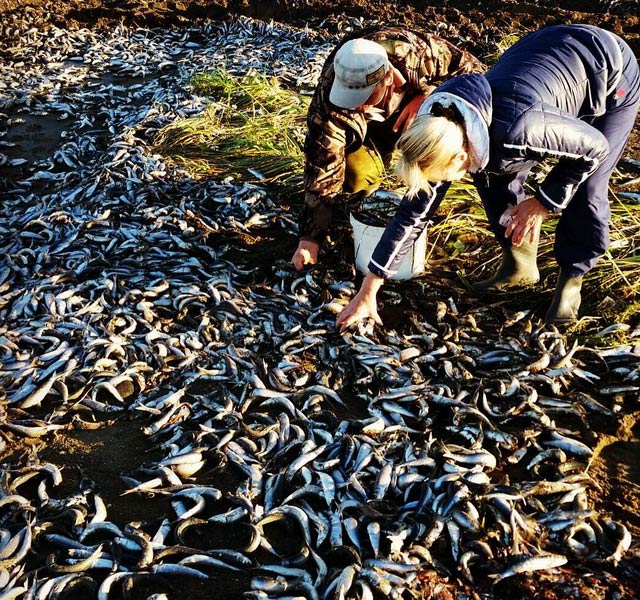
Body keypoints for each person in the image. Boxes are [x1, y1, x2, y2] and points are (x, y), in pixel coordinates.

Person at [336, 24, 640, 329]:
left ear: (458, 156)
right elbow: (413, 213)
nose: (442, 184)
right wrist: (369, 289)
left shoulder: (520, 131)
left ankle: (571, 281)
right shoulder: (442, 121)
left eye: (446, 175)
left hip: (607, 68)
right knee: (490, 174)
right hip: (542, 52)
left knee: (587, 188)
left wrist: (543, 203)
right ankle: (520, 265)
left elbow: (595, 149)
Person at [291, 26, 485, 271]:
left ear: (388, 79)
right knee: (354, 174)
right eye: (350, 99)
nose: (356, 107)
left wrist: (429, 95)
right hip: (372, 130)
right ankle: (364, 208)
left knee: (431, 162)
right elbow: (322, 166)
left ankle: (420, 207)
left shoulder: (416, 54)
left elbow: (475, 74)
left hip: (421, 119)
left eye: (363, 97)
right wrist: (310, 239)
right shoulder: (329, 102)